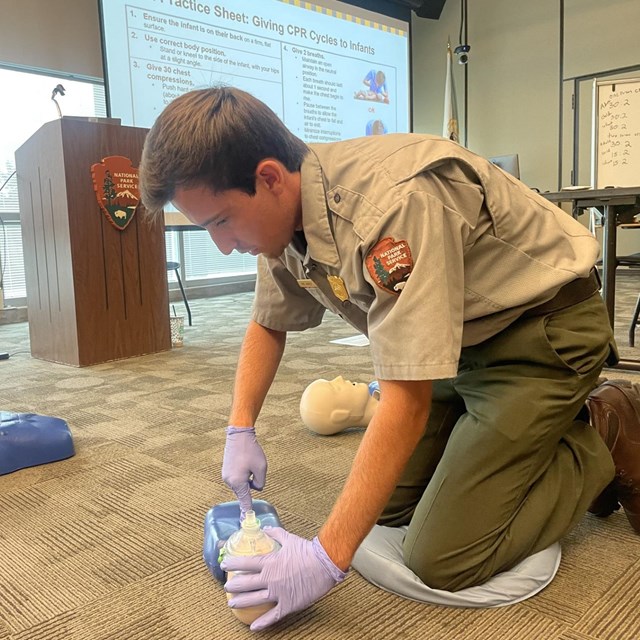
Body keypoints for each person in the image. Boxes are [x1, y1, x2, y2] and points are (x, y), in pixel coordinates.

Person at [139, 87, 640, 632]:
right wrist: (240, 427)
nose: (223, 245)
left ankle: (604, 430)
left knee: (445, 558)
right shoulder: (284, 212)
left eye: (220, 222)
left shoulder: (388, 206)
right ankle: (506, 440)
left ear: (267, 178)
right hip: (461, 344)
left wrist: (325, 560)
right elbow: (268, 321)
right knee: (385, 508)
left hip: (540, 336)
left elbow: (405, 400)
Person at [299, 376, 379, 435]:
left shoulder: (374, 388)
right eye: (337, 388)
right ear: (341, 415)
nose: (339, 378)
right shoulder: (389, 415)